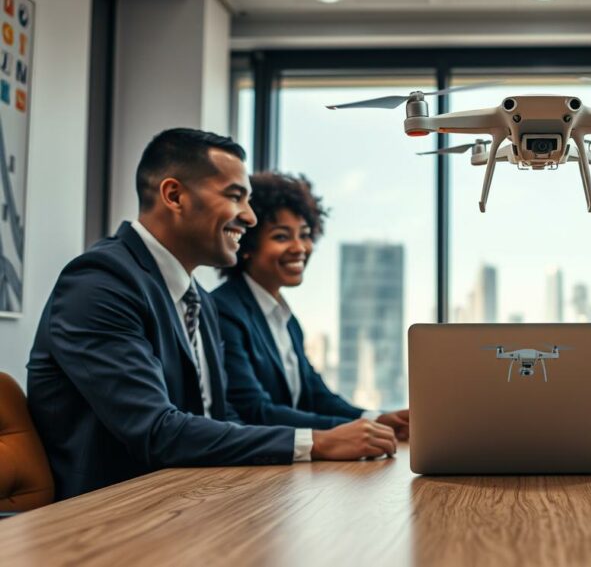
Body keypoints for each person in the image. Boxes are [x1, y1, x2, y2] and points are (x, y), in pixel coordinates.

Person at [27, 128, 397, 500]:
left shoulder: (198, 300)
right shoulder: (100, 283)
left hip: (191, 498)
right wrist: (316, 442)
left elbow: (222, 420)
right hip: (110, 514)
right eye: (235, 197)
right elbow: (157, 431)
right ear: (174, 196)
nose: (250, 218)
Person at [213, 171, 409, 439]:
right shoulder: (224, 310)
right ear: (247, 245)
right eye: (281, 237)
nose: (300, 247)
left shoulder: (287, 320)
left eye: (305, 235)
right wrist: (343, 431)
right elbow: (255, 412)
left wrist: (376, 419)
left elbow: (316, 396)